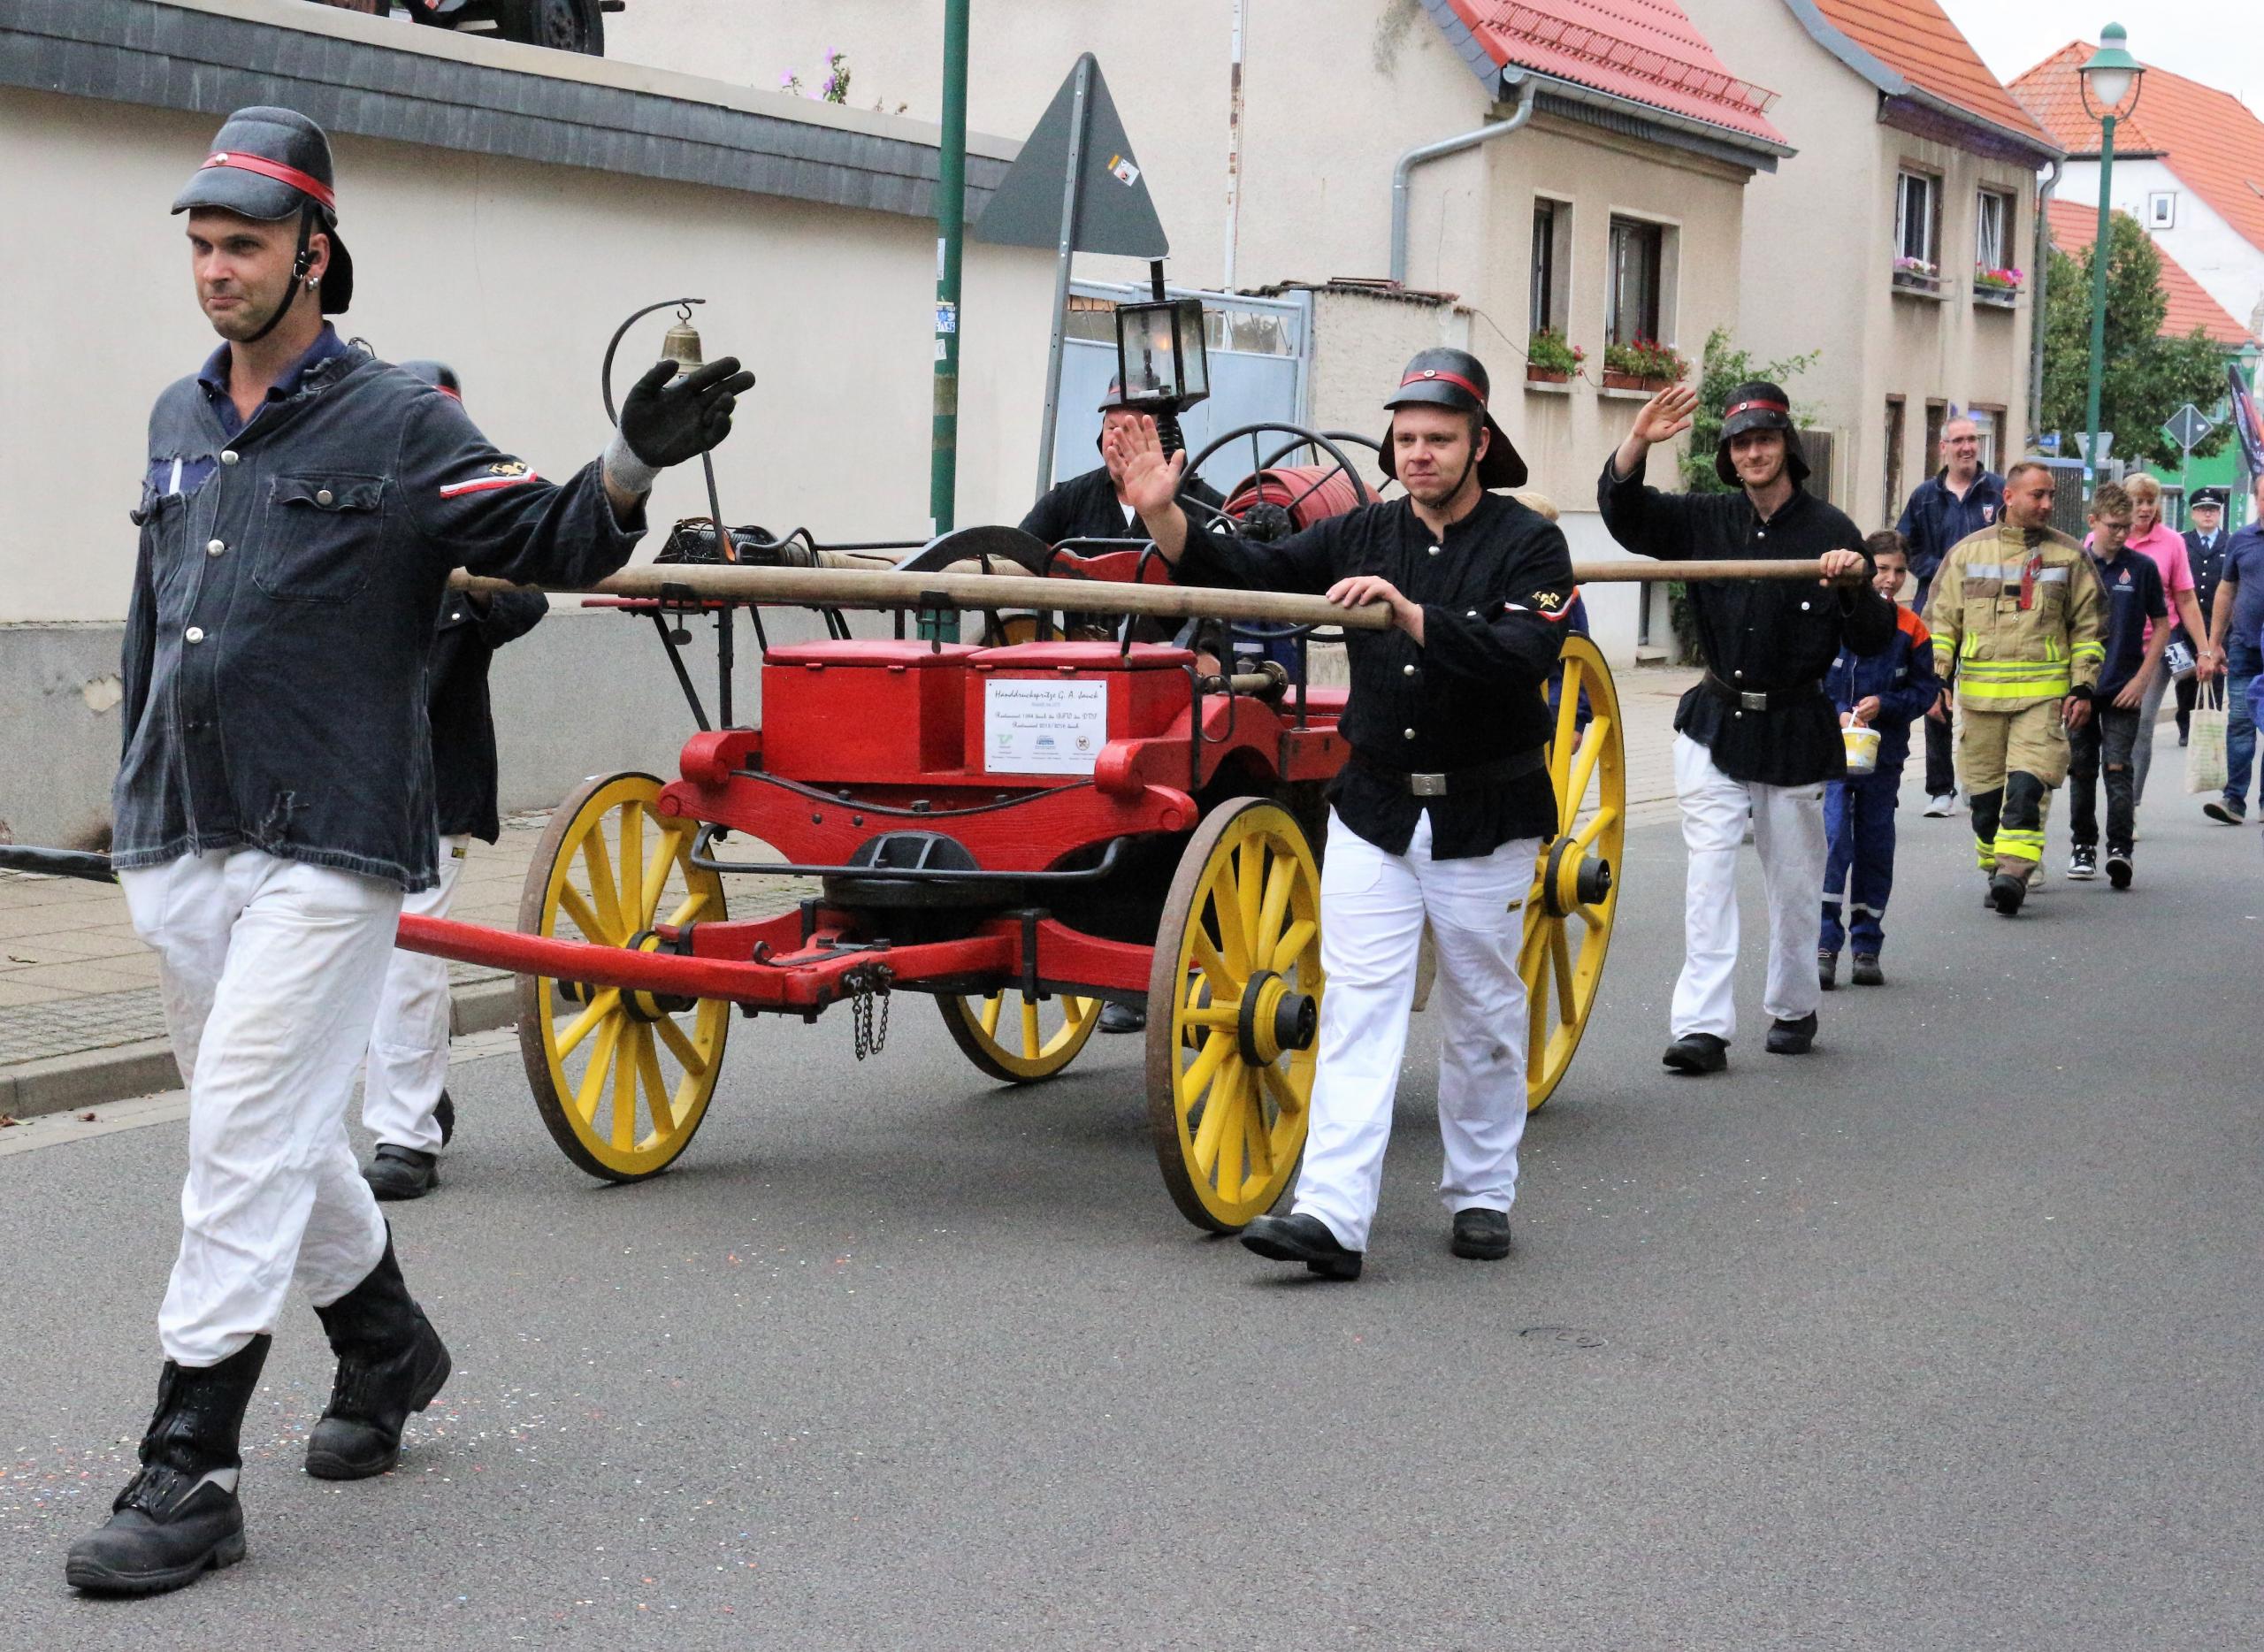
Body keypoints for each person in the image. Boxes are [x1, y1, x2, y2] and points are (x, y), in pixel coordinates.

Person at [67, 106, 751, 1597]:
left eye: (242, 241)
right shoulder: (177, 422)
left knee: (242, 1126)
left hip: (332, 842)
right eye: (199, 239)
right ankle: (386, 1342)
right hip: (187, 826)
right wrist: (126, 800)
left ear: (316, 253)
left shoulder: (398, 421)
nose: (213, 266)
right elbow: (153, 614)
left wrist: (630, 461)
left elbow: (555, 538)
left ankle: (188, 1464)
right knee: (278, 1122)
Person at [1110, 348, 1574, 1279]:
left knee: (1483, 1009)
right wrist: (1164, 512)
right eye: (1405, 438)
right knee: (1358, 1006)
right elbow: (1252, 567)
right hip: (1372, 807)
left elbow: (1522, 652)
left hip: (1485, 808)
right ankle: (1332, 1213)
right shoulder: (1362, 529)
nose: (1419, 454)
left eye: (1439, 439)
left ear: (1480, 443)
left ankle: (1481, 1190)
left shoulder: (1530, 544)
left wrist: (1408, 615)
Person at [1599, 381, 1890, 1073]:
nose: (1753, 452)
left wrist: (1854, 583)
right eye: (1740, 443)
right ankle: (1701, 1027)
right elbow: (1627, 517)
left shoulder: (1832, 532)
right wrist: (1637, 439)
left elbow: (1875, 638)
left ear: (1786, 448)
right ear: (1729, 457)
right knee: (1706, 877)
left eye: (1763, 439)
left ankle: (1793, 1006)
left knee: (1793, 883)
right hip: (1715, 722)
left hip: (1794, 726)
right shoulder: (1705, 520)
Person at [355, 362, 550, 1202]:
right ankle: (420, 1093)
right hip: (333, 781)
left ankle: (404, 1135)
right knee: (336, 953)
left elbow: (526, 600)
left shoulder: (471, 520)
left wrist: (455, 580)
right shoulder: (349, 507)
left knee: (407, 953)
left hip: (433, 781)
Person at [1021, 379, 1221, 1036]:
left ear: (1165, 442)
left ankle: (1147, 956)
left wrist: (1211, 662)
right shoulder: (1070, 500)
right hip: (1078, 685)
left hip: (1170, 688)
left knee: (1168, 796)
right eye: (1109, 426)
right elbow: (1016, 560)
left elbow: (1233, 591)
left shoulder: (1204, 507)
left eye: (1132, 427)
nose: (1116, 439)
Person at [1923, 461, 2106, 914]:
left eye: (2050, 496)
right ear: (2009, 497)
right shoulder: (1966, 554)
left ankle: (2014, 874)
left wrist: (2082, 687)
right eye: (2037, 495)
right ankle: (1997, 863)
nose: (2046, 504)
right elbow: (1942, 622)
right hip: (1981, 700)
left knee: (2026, 789)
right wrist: (1937, 679)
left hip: (2042, 699)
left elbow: (2090, 627)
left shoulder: (2068, 557)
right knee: (1984, 802)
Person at [1817, 532, 1938, 988]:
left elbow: (1924, 690)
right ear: (1864, 570)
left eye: (1899, 571)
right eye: (1881, 569)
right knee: (1831, 843)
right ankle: (1825, 945)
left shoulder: (1912, 628)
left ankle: (1867, 947)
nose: (1890, 579)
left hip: (1882, 762)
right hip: (1832, 757)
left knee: (1874, 846)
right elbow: (1811, 682)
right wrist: (1839, 713)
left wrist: (1884, 705)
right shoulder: (1833, 620)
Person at [1896, 415, 2005, 817]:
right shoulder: (1925, 496)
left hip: (1990, 608)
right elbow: (1906, 548)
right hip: (1936, 609)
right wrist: (1944, 569)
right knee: (1936, 694)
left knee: (1983, 698)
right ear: (1943, 447)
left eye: (1972, 439)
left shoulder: (1998, 491)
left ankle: (1983, 781)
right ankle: (1940, 790)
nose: (1966, 447)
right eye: (1958, 440)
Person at [2064, 484, 2168, 887]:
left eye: (2127, 527)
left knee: (2119, 766)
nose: (2122, 534)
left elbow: (2161, 624)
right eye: (2113, 526)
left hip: (2124, 684)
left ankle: (2120, 849)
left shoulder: (2141, 568)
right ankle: (2083, 846)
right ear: (2093, 522)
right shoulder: (2076, 566)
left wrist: (2143, 679)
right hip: (2080, 686)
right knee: (2082, 767)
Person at [2112, 475, 2213, 808]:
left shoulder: (2171, 542)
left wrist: (2204, 649)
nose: (2144, 508)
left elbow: (2185, 599)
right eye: (2137, 501)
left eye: (2150, 501)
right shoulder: (2107, 536)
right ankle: (2114, 792)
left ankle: (2130, 805)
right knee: (2107, 728)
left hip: (2155, 648)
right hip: (2111, 646)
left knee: (2141, 723)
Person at [2201, 470, 2264, 825]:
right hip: (2244, 646)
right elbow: (2226, 591)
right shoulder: (2241, 540)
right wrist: (2214, 645)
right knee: (2240, 721)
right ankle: (2234, 799)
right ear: (2256, 500)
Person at [2176, 486, 2232, 743]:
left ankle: (2210, 723)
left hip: (2218, 624)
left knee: (2216, 676)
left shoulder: (2230, 543)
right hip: (2184, 625)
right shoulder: (2181, 542)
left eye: (2212, 510)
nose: (2207, 514)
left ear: (2220, 513)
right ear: (2193, 514)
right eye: (2202, 510)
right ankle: (2186, 724)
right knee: (2185, 676)